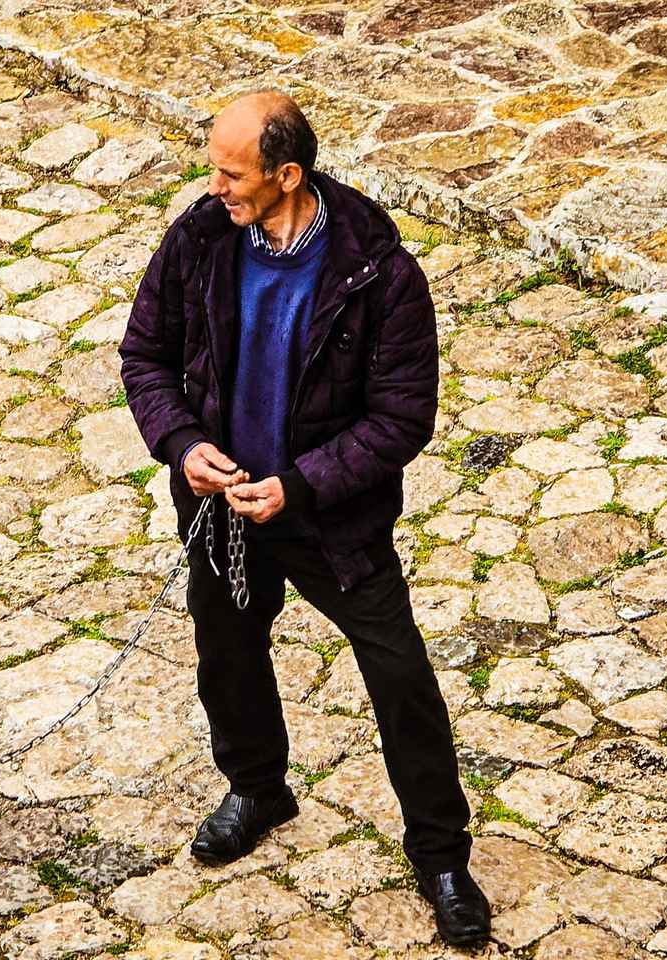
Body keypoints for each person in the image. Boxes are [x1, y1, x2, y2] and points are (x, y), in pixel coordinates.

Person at [118, 90, 491, 947]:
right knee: (229, 653)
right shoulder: (201, 238)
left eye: (232, 172)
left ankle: (440, 855)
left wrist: (302, 484)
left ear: (288, 175)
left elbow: (402, 418)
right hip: (222, 513)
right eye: (214, 167)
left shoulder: (380, 274)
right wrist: (181, 443)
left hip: (331, 521)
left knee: (400, 679)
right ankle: (257, 787)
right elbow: (146, 355)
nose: (214, 186)